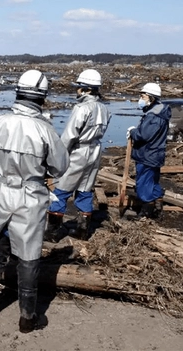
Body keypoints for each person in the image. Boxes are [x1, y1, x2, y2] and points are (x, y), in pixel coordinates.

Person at [0, 69, 69, 333]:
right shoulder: (45, 130)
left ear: (18, 92)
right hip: (31, 196)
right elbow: (60, 168)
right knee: (29, 255)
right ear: (42, 97)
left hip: (2, 191)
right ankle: (27, 318)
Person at [45, 69, 111, 242]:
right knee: (85, 189)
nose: (77, 90)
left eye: (79, 87)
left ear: (86, 89)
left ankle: (52, 233)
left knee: (61, 189)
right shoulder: (104, 109)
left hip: (78, 152)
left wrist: (58, 156)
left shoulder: (81, 108)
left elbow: (69, 135)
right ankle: (83, 231)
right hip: (95, 151)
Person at [127, 83, 171, 219]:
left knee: (144, 183)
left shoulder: (154, 116)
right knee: (153, 181)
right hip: (155, 153)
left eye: (142, 96)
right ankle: (157, 205)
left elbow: (143, 135)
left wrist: (133, 132)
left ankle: (146, 213)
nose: (140, 99)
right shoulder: (159, 112)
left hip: (148, 154)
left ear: (151, 98)